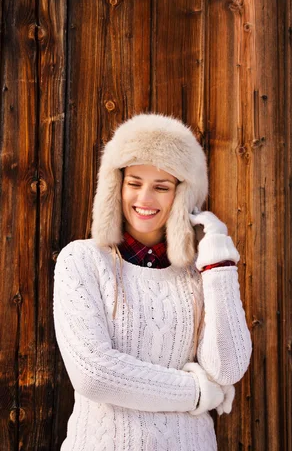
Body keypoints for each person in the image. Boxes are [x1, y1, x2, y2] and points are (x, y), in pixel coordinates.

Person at [53, 113, 252, 450]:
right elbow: (94, 375)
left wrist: (219, 264)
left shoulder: (200, 272)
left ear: (183, 194)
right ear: (116, 186)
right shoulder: (82, 260)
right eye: (134, 182)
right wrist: (199, 392)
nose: (144, 198)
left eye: (161, 187)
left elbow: (227, 368)